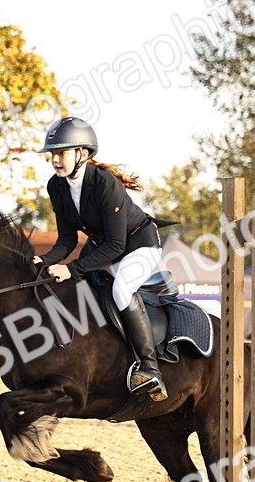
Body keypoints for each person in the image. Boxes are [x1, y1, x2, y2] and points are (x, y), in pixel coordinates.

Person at [33, 116, 169, 401]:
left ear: (82, 154)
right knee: (80, 290)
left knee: (121, 288)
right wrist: (44, 261)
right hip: (102, 247)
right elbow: (67, 239)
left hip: (138, 244)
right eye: (53, 154)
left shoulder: (105, 184)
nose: (55, 160)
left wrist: (72, 268)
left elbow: (117, 244)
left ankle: (150, 366)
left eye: (61, 153)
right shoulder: (56, 186)